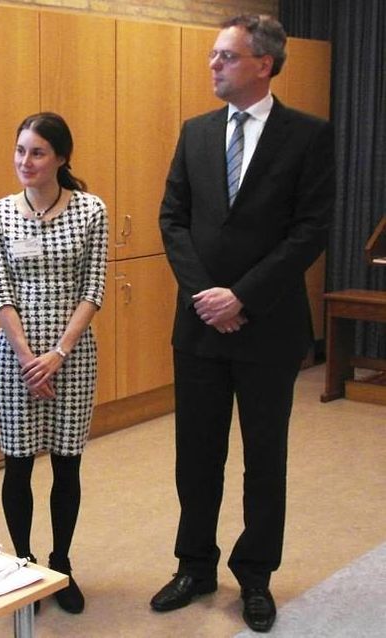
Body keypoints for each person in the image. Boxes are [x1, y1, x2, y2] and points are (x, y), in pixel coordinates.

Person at [150, 15, 333, 633]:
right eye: (212, 55)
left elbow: (309, 230)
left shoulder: (307, 135)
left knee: (264, 458)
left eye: (226, 56)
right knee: (196, 455)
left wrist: (243, 297)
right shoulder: (196, 132)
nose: (214, 66)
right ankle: (194, 564)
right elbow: (173, 217)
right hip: (199, 326)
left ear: (264, 64)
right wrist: (206, 294)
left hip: (269, 325)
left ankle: (255, 575)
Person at [0, 112, 108, 614]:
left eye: (36, 152)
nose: (25, 162)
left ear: (60, 157)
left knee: (66, 463)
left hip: (71, 360)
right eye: (20, 151)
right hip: (15, 361)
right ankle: (24, 564)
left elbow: (93, 289)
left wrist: (57, 354)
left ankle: (60, 565)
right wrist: (29, 357)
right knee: (17, 465)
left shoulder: (90, 210)